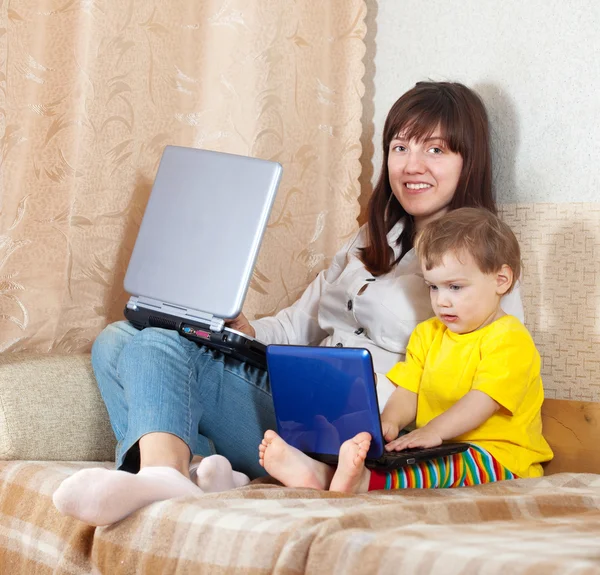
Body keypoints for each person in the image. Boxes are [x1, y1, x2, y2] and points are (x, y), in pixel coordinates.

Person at [52, 81, 524, 526]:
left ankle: (157, 476)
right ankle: (192, 469)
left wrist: (411, 427)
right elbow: (301, 321)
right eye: (400, 147)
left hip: (348, 425)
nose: (411, 164)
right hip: (294, 390)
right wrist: (242, 330)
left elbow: (482, 370)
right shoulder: (372, 240)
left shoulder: (480, 268)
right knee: (116, 338)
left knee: (155, 345)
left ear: (470, 161)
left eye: (435, 149)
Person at [258, 208, 554, 493]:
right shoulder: (428, 333)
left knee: (448, 466)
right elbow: (407, 391)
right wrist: (389, 421)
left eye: (455, 287)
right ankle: (322, 473)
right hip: (440, 446)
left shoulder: (510, 338)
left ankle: (361, 483)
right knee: (392, 452)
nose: (442, 301)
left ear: (501, 280)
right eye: (433, 288)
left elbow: (481, 401)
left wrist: (433, 431)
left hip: (501, 457)